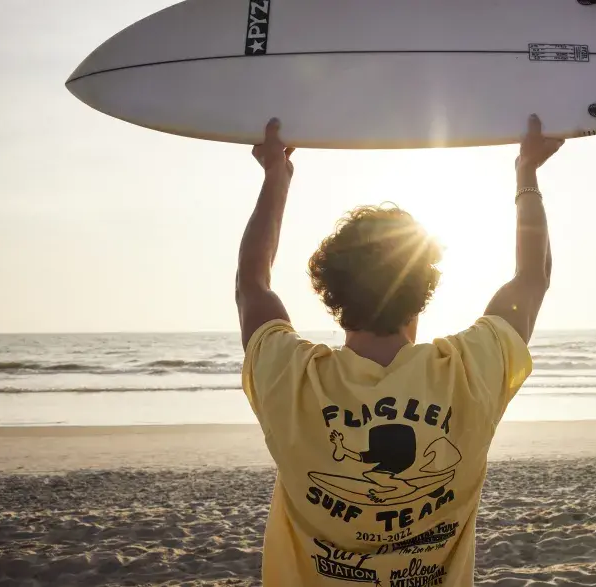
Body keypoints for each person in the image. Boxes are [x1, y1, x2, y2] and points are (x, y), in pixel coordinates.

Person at [235, 114, 563, 586]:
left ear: (332, 296)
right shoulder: (467, 372)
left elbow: (251, 283)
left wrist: (275, 179)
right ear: (423, 293)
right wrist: (527, 174)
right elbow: (534, 278)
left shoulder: (292, 377)